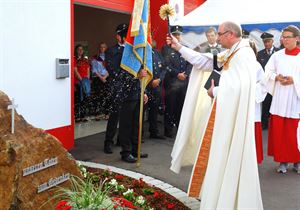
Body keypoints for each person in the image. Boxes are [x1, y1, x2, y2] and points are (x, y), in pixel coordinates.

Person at [168, 21, 263, 209]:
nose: (217, 38)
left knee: (229, 156)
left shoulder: (243, 54)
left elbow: (240, 87)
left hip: (232, 119)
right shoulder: (233, 52)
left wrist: (216, 91)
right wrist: (179, 47)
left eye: (220, 34)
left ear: (230, 34)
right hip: (224, 115)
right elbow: (204, 61)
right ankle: (218, 198)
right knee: (219, 156)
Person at [265, 25, 300, 174]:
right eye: (283, 37)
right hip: (280, 99)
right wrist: (276, 77)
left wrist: (295, 80)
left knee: (294, 132)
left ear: (297, 38)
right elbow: (267, 72)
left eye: (288, 37)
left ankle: (298, 161)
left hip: (295, 99)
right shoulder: (277, 55)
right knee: (281, 133)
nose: (284, 40)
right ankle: (283, 161)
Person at [161, 25, 192, 138]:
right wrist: (177, 74)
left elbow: (190, 63)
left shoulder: (186, 47)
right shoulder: (166, 48)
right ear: (172, 35)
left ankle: (180, 128)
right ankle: (168, 129)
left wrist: (186, 74)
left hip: (183, 83)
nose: (177, 36)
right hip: (172, 83)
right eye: (175, 34)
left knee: (181, 106)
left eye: (179, 34)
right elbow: (165, 65)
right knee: (170, 106)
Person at [103, 23, 128, 154]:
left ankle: (121, 140)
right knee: (114, 116)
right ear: (118, 36)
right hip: (117, 87)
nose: (125, 37)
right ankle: (108, 142)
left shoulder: (131, 50)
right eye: (123, 35)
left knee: (125, 117)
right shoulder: (111, 51)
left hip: (129, 88)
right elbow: (112, 69)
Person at [249, 40, 267, 164]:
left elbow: (263, 84)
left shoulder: (256, 65)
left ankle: (253, 158)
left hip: (251, 103)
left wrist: (250, 89)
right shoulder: (234, 64)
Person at [257, 32, 280, 129]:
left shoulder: (279, 52)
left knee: (277, 104)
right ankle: (264, 124)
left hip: (276, 83)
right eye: (265, 42)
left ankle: (276, 124)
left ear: (272, 41)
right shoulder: (260, 54)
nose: (266, 44)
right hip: (265, 83)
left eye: (268, 41)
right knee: (265, 104)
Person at [147, 40, 166, 139]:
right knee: (141, 112)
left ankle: (154, 132)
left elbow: (164, 68)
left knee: (154, 110)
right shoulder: (142, 54)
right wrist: (150, 82)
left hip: (156, 85)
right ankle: (138, 135)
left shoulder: (157, 53)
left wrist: (159, 79)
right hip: (146, 87)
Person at [90, 42, 109, 120]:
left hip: (107, 78)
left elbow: (111, 68)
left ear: (106, 48)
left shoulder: (109, 57)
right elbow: (94, 70)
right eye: (101, 47)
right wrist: (101, 77)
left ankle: (106, 113)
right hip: (98, 78)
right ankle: (97, 114)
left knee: (107, 96)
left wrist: (105, 77)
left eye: (104, 47)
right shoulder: (95, 58)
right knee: (97, 97)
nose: (102, 48)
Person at [74, 44, 91, 122]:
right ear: (76, 50)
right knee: (78, 99)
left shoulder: (85, 60)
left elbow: (88, 70)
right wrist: (82, 80)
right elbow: (75, 71)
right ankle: (77, 117)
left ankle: (83, 116)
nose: (80, 51)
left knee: (85, 99)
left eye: (82, 49)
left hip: (85, 81)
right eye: (79, 49)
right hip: (78, 81)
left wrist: (87, 80)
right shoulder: (74, 59)